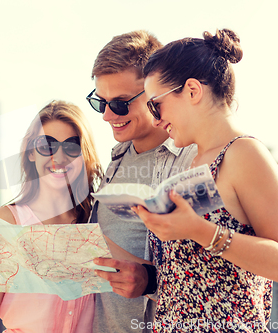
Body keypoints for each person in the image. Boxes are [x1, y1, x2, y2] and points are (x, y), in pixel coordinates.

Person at [133, 28, 278, 332]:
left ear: (193, 91)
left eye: (155, 104)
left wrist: (198, 230)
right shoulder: (193, 163)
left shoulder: (245, 154)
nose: (155, 119)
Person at [87, 31, 197, 333]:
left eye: (121, 104)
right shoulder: (117, 157)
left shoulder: (192, 161)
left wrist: (151, 280)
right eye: (101, 102)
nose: (108, 116)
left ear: (153, 92)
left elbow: (212, 273)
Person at [0, 100, 103, 332]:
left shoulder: (96, 220)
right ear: (30, 153)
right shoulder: (9, 220)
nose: (59, 157)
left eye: (71, 146)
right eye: (46, 145)